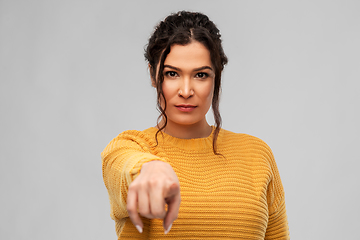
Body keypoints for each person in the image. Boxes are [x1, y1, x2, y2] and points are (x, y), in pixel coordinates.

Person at [102, 11, 290, 239]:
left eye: (200, 75)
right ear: (153, 75)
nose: (186, 91)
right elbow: (123, 169)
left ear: (216, 77)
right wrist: (148, 169)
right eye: (172, 74)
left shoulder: (257, 155)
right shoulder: (130, 148)